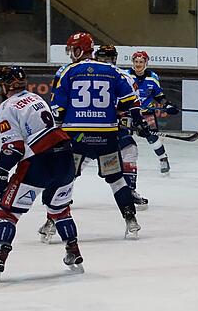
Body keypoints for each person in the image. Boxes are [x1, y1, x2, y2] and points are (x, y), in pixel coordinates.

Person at [0, 66, 81, 280]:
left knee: (8, 212)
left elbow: (15, 147)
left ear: (4, 86)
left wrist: (0, 172)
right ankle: (73, 251)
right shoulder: (37, 98)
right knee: (60, 209)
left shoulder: (4, 109)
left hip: (39, 161)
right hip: (65, 156)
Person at [50, 32, 149, 239]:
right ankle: (131, 220)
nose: (71, 54)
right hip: (106, 136)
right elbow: (131, 100)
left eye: (73, 49)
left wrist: (55, 131)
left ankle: (51, 222)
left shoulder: (69, 72)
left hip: (77, 136)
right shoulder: (112, 71)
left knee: (66, 178)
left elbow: (57, 108)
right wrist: (138, 119)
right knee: (116, 180)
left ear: (82, 50)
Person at [91, 46, 148, 210]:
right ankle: (60, 191)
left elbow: (132, 104)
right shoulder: (121, 76)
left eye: (108, 57)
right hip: (92, 126)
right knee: (76, 163)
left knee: (129, 150)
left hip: (95, 127)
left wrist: (136, 120)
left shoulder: (124, 77)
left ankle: (129, 191)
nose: (106, 60)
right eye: (103, 57)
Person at [128, 50, 179, 174]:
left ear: (146, 63)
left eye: (141, 61)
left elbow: (158, 95)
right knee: (123, 137)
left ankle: (163, 158)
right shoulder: (126, 75)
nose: (138, 64)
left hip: (146, 112)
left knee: (152, 137)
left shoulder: (152, 77)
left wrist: (167, 105)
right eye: (136, 61)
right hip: (128, 113)